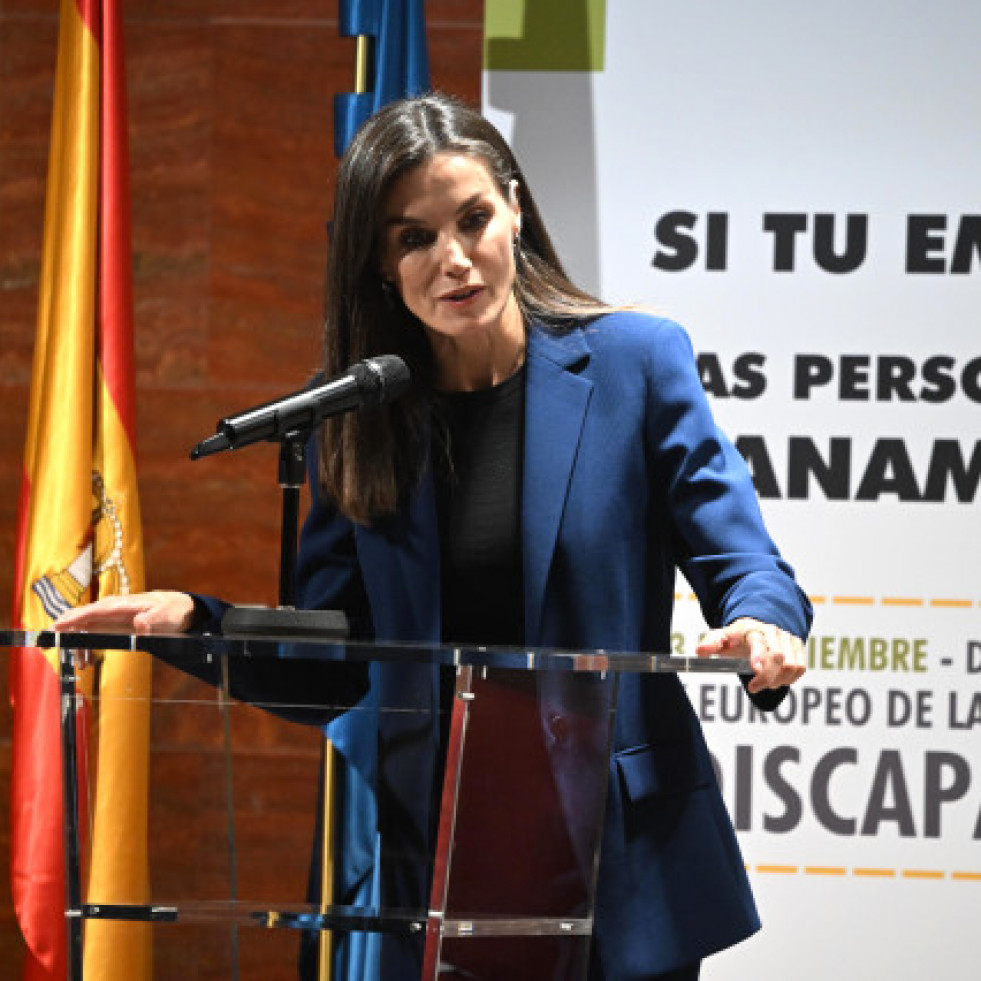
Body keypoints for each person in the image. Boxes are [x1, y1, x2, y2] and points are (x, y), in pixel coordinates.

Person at [56, 93, 810, 980]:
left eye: (473, 219)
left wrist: (762, 622)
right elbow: (334, 662)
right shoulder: (356, 418)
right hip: (448, 856)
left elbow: (742, 557)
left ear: (516, 211)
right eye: (413, 238)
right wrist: (197, 625)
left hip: (619, 849)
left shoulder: (635, 363)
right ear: (380, 263)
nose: (452, 259)